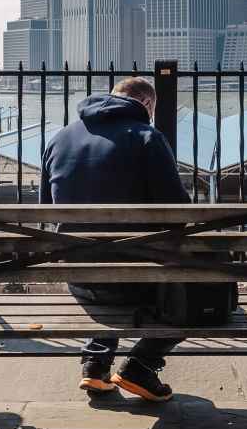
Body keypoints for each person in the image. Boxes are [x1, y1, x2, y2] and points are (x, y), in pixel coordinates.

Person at [40, 76, 189, 402]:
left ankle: (95, 363)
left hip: (78, 276)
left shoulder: (60, 138)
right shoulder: (148, 137)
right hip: (137, 279)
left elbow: (48, 210)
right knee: (194, 300)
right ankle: (141, 365)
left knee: (103, 259)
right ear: (147, 105)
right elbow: (178, 211)